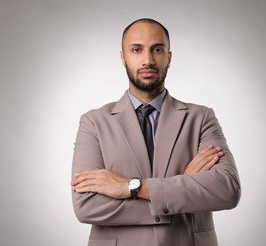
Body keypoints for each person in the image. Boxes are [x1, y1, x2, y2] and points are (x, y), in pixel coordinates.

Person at [70, 18, 241, 246]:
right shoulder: (93, 122)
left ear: (169, 57)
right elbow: (86, 206)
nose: (148, 60)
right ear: (123, 58)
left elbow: (226, 189)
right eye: (136, 50)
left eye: (158, 50)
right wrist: (182, 187)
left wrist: (130, 186)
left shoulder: (201, 118)